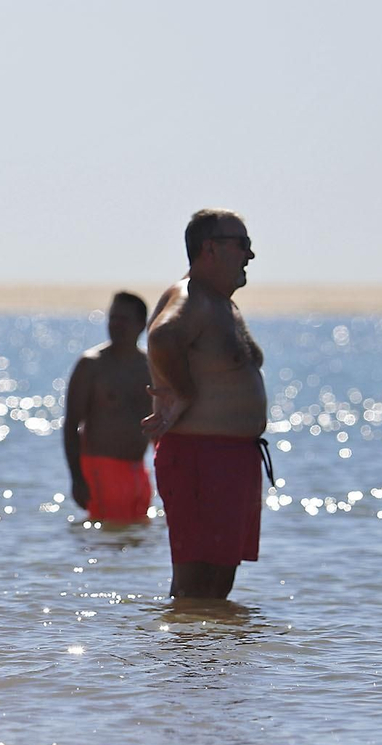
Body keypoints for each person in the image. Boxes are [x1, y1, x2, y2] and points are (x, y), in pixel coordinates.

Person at [142, 209, 273, 600]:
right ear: (210, 249)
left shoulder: (222, 304)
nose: (250, 255)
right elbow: (162, 336)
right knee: (195, 584)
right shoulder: (191, 296)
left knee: (218, 586)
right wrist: (182, 392)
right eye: (242, 244)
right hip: (200, 456)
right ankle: (180, 641)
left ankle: (205, 643)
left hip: (232, 457)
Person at [63, 291, 153, 523]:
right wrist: (77, 478)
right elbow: (71, 424)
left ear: (141, 325)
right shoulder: (92, 365)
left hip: (138, 470)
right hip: (101, 468)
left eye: (124, 319)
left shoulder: (151, 367)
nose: (116, 325)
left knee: (138, 534)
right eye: (113, 318)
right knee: (107, 534)